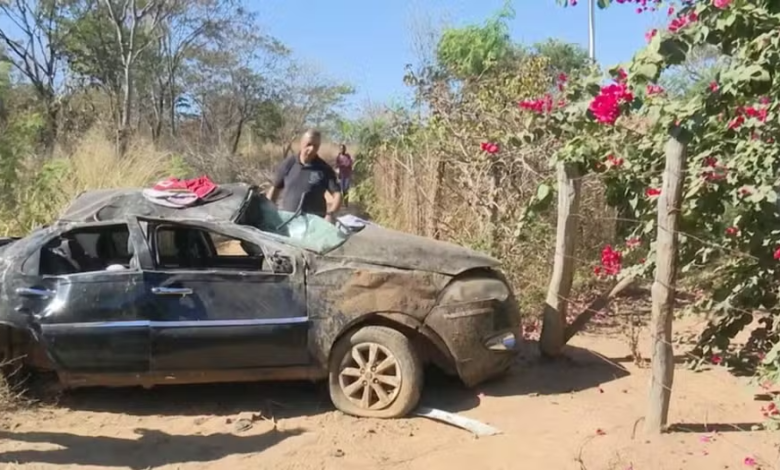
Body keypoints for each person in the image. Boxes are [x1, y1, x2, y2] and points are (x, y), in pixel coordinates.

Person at [266, 129, 342, 223]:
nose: (312, 149)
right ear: (301, 143)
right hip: (287, 222)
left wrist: (330, 214)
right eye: (309, 144)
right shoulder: (289, 163)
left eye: (316, 146)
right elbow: (275, 188)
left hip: (313, 225)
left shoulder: (324, 169)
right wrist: (268, 211)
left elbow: (337, 195)